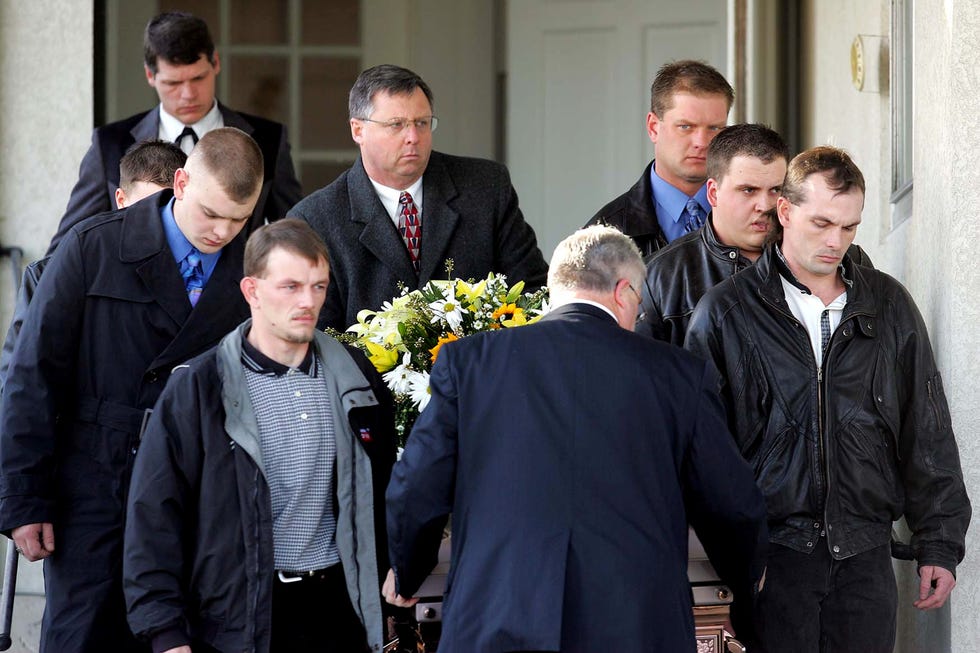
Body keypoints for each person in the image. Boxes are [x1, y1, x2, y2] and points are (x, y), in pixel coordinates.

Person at [384, 225, 768, 652]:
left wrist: (407, 572)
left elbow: (416, 484)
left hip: (498, 614)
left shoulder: (470, 362)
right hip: (635, 624)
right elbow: (731, 501)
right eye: (638, 305)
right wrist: (746, 575)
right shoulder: (678, 374)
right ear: (624, 292)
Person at [685, 146, 971, 652]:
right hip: (772, 561)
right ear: (786, 212)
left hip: (865, 557)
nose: (835, 241)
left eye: (850, 227)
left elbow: (926, 430)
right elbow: (701, 452)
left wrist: (939, 544)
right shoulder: (725, 314)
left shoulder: (888, 307)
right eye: (822, 223)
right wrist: (731, 562)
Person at [0, 127, 265, 652]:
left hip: (202, 491)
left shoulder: (255, 267)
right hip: (94, 484)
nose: (221, 232)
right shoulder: (92, 246)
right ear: (182, 182)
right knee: (83, 635)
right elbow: (31, 377)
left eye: (239, 220)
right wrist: (22, 498)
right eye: (212, 213)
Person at [124, 219, 396, 653]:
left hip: (339, 610)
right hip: (240, 617)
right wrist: (166, 633)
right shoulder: (198, 387)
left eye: (319, 287)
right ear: (251, 290)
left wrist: (399, 567)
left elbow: (386, 486)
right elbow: (154, 516)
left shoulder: (354, 376)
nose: (309, 302)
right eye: (290, 287)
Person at [289, 64, 548, 331]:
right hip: (366, 372)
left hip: (480, 367)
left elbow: (533, 291)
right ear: (358, 130)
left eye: (422, 123)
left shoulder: (485, 187)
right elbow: (319, 336)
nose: (413, 137)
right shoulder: (314, 220)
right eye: (396, 125)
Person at [46, 10, 302, 255]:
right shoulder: (111, 143)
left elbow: (295, 236)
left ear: (215, 63)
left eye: (198, 78)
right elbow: (64, 248)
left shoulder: (268, 139)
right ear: (150, 75)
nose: (188, 94)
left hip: (235, 295)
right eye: (173, 83)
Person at [0, 140, 187, 391]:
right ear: (120, 199)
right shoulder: (48, 273)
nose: (156, 222)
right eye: (145, 210)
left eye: (167, 210)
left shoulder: (199, 275)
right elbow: (17, 379)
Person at [636, 124, 787, 344]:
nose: (765, 205)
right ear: (713, 194)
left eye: (776, 190)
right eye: (748, 190)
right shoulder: (657, 279)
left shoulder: (822, 262)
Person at [586, 60, 733, 257]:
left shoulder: (760, 219)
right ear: (653, 127)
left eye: (714, 128)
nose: (701, 142)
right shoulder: (603, 236)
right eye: (685, 127)